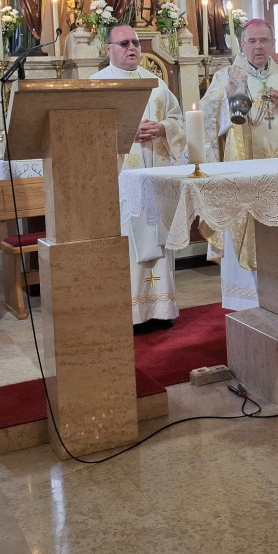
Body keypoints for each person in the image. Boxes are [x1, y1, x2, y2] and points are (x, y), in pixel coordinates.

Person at [199, 19, 278, 309]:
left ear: (273, 44)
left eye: (264, 40)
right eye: (252, 41)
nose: (258, 47)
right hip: (243, 174)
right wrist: (230, 100)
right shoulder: (227, 76)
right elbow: (206, 118)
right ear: (243, 45)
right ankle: (245, 302)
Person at [91, 25, 186, 328]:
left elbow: (178, 119)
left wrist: (163, 128)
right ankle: (131, 314)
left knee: (158, 238)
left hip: (156, 178)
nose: (132, 48)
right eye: (124, 43)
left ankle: (160, 310)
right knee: (128, 242)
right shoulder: (95, 85)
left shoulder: (156, 83)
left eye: (135, 43)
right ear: (108, 49)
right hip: (120, 181)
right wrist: (123, 133)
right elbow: (86, 131)